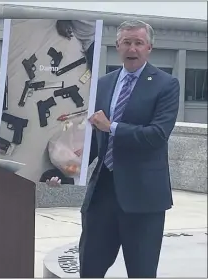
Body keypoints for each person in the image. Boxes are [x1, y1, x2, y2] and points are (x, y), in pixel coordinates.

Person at [49, 19, 180, 278]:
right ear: (117, 46)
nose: (132, 48)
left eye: (138, 43)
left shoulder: (166, 85)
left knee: (141, 272)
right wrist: (66, 172)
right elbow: (95, 142)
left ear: (149, 47)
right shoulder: (103, 83)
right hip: (102, 195)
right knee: (89, 269)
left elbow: (157, 135)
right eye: (127, 42)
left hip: (143, 199)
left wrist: (113, 127)